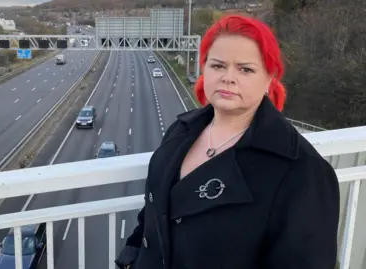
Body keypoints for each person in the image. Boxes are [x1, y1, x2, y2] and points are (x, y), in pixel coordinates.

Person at [115, 14, 340, 269]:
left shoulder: (302, 170)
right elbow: (154, 212)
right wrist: (131, 257)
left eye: (245, 69)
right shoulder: (181, 130)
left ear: (269, 79)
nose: (228, 77)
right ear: (205, 69)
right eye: (218, 66)